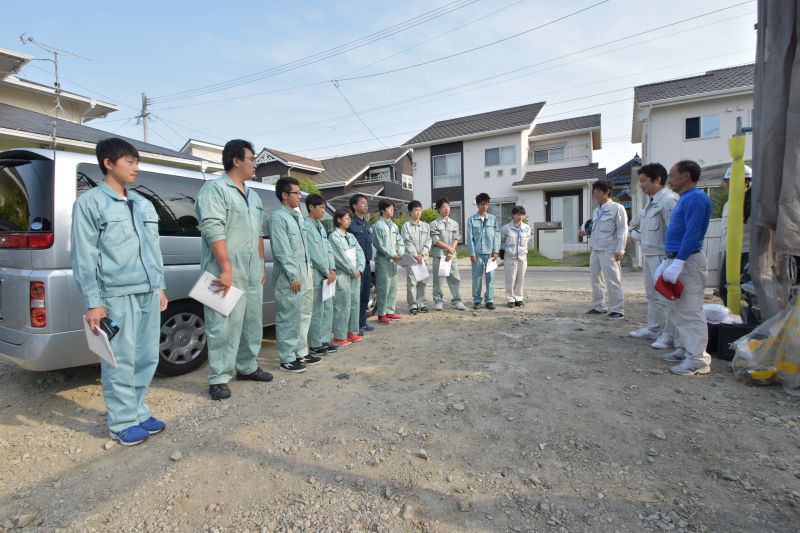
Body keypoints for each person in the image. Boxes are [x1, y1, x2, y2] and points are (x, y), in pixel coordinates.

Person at [71, 138, 169, 444]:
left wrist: (160, 286)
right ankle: (121, 420)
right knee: (121, 359)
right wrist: (93, 303)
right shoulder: (89, 203)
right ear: (108, 163)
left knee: (147, 356)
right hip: (116, 293)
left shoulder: (143, 203)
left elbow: (154, 250)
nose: (136, 168)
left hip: (149, 290)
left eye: (137, 162)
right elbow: (84, 256)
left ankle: (138, 411)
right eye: (129, 162)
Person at [195, 139, 273, 400]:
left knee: (252, 322)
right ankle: (219, 376)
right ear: (236, 160)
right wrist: (226, 267)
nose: (255, 165)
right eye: (252, 159)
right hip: (224, 270)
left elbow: (259, 233)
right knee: (222, 325)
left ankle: (248, 366)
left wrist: (261, 265)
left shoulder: (253, 195)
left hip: (251, 270)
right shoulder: (215, 189)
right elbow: (212, 228)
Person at [660, 160, 713, 376]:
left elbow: (692, 233)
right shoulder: (685, 199)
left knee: (691, 310)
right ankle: (685, 348)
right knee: (680, 310)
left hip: (688, 260)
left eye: (672, 176)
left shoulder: (696, 198)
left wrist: (679, 260)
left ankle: (697, 359)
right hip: (678, 258)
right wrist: (669, 260)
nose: (669, 180)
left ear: (686, 176)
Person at [267, 177, 319, 373]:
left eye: (299, 193)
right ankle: (287, 358)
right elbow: (282, 251)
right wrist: (292, 275)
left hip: (304, 274)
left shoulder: (296, 217)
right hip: (291, 278)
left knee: (304, 315)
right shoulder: (278, 218)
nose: (300, 196)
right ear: (284, 195)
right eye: (296, 193)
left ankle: (301, 351)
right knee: (288, 317)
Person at [628, 163, 678, 348]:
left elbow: (674, 230)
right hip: (649, 255)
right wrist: (637, 235)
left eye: (644, 181)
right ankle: (654, 328)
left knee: (666, 298)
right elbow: (649, 229)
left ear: (657, 180)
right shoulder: (651, 201)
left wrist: (671, 260)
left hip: (662, 256)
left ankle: (670, 334)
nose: (641, 185)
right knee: (652, 295)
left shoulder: (668, 201)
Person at [585, 179, 628, 319]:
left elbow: (622, 230)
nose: (595, 194)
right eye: (594, 191)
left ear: (607, 191)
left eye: (598, 191)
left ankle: (617, 309)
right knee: (595, 278)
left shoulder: (617, 208)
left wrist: (620, 249)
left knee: (613, 279)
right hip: (596, 249)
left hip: (609, 250)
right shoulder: (597, 211)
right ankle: (599, 306)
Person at [304, 194, 338, 357]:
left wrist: (332, 268)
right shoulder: (306, 226)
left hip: (327, 274)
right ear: (311, 207)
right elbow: (314, 253)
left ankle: (324, 339)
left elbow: (328, 249)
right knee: (316, 310)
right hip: (317, 274)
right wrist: (326, 271)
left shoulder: (321, 226)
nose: (324, 211)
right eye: (321, 208)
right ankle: (315, 343)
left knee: (327, 308)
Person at [328, 209, 366, 345]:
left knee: (354, 304)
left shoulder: (351, 236)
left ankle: (352, 331)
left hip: (356, 275)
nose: (349, 221)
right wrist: (352, 270)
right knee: (342, 305)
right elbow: (339, 258)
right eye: (346, 218)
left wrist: (360, 269)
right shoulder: (334, 237)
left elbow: (360, 253)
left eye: (350, 218)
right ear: (338, 220)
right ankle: (339, 335)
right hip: (343, 274)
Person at [719, 165, 753, 305]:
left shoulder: (754, 203)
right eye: (727, 182)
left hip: (747, 253)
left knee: (750, 291)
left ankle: (751, 324)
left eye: (732, 182)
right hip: (730, 252)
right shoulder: (728, 204)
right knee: (725, 289)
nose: (728, 186)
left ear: (747, 182)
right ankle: (732, 321)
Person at [429, 197, 466, 311]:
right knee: (439, 281)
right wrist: (449, 249)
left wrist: (452, 251)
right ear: (439, 209)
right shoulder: (434, 224)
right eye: (444, 207)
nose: (446, 209)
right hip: (440, 255)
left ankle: (457, 300)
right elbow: (435, 240)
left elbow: (456, 238)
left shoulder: (454, 223)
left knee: (455, 279)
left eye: (448, 207)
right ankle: (438, 301)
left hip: (451, 256)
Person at [466, 193, 501, 310]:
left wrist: (496, 251)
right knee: (477, 279)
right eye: (482, 204)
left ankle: (489, 300)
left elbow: (497, 235)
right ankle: (476, 301)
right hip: (477, 254)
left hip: (490, 254)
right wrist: (472, 253)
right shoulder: (471, 220)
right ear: (477, 205)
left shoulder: (493, 219)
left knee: (490, 278)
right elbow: (469, 238)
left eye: (486, 204)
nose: (484, 206)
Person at [372, 199, 405, 324]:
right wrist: (392, 255)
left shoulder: (394, 226)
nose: (392, 211)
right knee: (383, 287)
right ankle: (381, 313)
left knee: (393, 286)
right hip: (383, 260)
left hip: (394, 260)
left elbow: (399, 241)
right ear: (382, 210)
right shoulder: (378, 225)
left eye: (393, 208)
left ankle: (390, 311)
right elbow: (379, 244)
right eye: (390, 208)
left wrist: (400, 253)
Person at [348, 194, 375, 334]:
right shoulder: (350, 224)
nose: (366, 205)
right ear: (354, 206)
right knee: (356, 296)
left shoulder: (366, 223)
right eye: (362, 203)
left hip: (367, 264)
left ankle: (362, 322)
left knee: (365, 294)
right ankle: (354, 326)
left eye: (366, 203)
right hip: (356, 265)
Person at [401, 200, 432, 314]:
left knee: (423, 281)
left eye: (420, 210)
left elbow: (429, 240)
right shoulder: (406, 226)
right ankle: (412, 305)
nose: (418, 212)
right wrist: (415, 255)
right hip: (412, 259)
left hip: (423, 258)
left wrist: (422, 254)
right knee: (412, 282)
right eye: (415, 210)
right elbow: (406, 241)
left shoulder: (426, 226)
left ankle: (421, 303)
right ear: (410, 212)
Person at [500, 206, 532, 307]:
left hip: (522, 258)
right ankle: (510, 299)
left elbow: (526, 242)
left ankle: (519, 298)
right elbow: (502, 241)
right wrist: (501, 251)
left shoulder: (527, 228)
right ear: (513, 215)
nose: (520, 216)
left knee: (520, 279)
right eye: (518, 214)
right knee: (510, 279)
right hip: (510, 257)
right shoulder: (506, 228)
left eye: (522, 214)